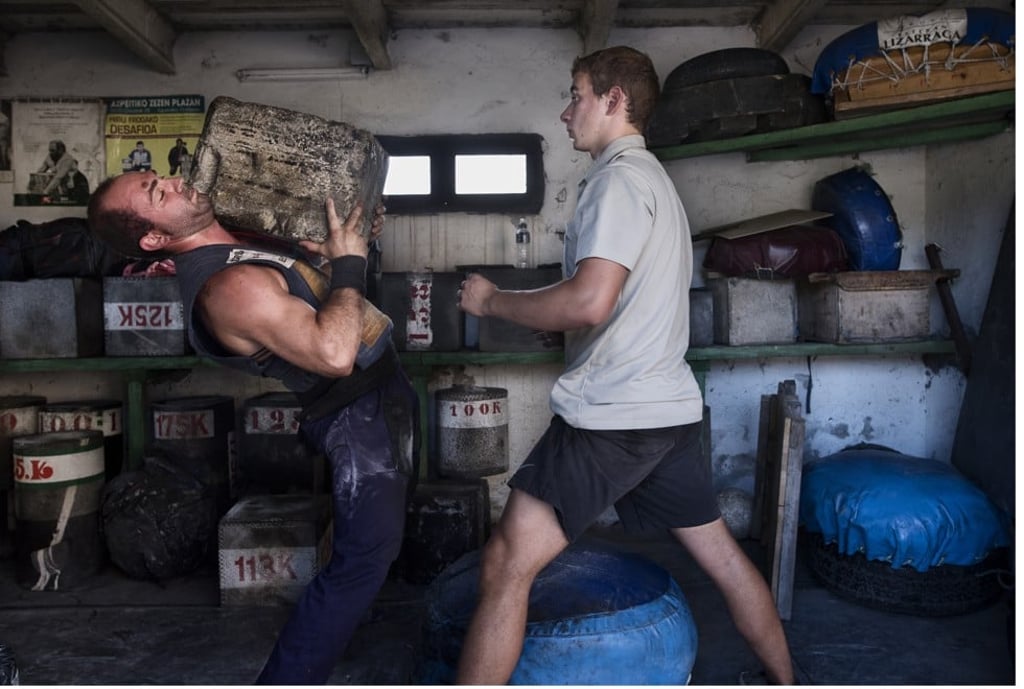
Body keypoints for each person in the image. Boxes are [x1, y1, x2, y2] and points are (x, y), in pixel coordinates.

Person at [455, 45, 798, 685]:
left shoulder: (616, 182)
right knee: (722, 557)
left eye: (577, 93)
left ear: (615, 100)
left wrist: (492, 301)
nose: (565, 112)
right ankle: (789, 681)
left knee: (506, 565)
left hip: (613, 418)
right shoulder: (654, 181)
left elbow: (589, 302)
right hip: (665, 413)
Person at [87, 170, 419, 684]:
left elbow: (326, 296)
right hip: (357, 418)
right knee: (361, 565)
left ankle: (345, 627)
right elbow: (333, 353)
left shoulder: (242, 247)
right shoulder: (229, 287)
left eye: (161, 175)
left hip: (377, 402)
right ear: (154, 239)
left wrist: (351, 246)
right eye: (158, 193)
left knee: (361, 555)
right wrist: (350, 262)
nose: (176, 181)